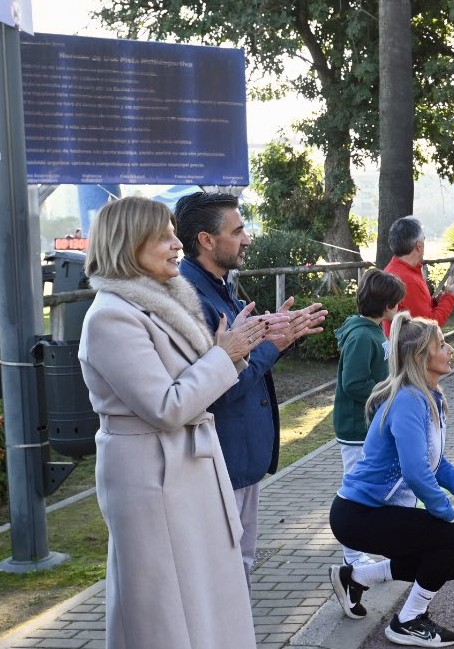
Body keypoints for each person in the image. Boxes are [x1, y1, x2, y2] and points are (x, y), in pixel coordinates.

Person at [79, 196, 275, 649]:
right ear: (130, 245)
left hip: (184, 471)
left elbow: (194, 381)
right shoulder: (111, 316)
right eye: (164, 236)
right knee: (164, 608)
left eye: (174, 233)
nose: (176, 245)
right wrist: (227, 355)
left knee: (202, 600)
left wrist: (238, 349)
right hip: (153, 477)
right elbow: (166, 406)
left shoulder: (160, 303)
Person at [175, 191, 328, 585]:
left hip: (241, 457)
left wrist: (269, 331)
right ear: (207, 241)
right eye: (238, 230)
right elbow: (220, 384)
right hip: (225, 457)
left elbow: (236, 357)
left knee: (239, 564)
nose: (247, 239)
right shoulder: (192, 297)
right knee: (228, 571)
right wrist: (274, 345)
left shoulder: (219, 287)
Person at [328, 313, 454, 645]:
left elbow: (435, 465)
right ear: (422, 356)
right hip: (357, 515)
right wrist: (451, 512)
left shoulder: (429, 397)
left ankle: (355, 577)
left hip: (371, 513)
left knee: (450, 562)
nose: (450, 349)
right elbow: (415, 472)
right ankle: (407, 621)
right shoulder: (409, 400)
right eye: (442, 344)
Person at [333, 268, 407, 567]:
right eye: (397, 303)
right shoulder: (363, 336)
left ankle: (374, 547)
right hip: (356, 429)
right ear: (387, 306)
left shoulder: (374, 330)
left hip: (370, 426)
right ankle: (351, 557)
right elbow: (354, 384)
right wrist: (389, 394)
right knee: (355, 492)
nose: (400, 308)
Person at [384, 216, 454, 336]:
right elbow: (428, 326)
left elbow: (417, 311)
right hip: (409, 352)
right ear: (419, 245)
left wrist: (438, 301)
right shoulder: (406, 279)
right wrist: (451, 296)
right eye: (424, 239)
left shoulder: (400, 269)